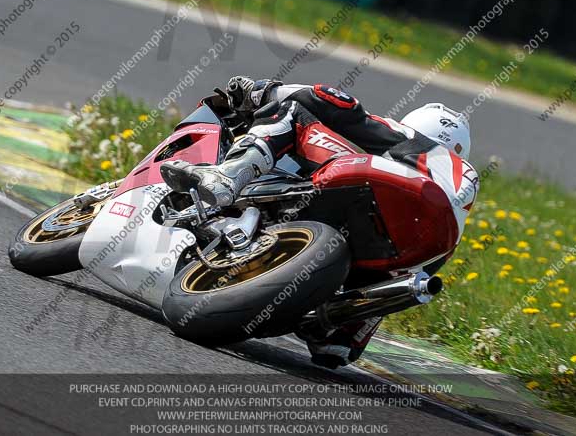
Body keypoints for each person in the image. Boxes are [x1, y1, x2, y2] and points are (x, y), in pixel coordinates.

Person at [161, 76, 479, 368]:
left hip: (386, 187)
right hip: (424, 246)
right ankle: (342, 332)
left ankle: (228, 177)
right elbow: (417, 274)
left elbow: (334, 100)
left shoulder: (410, 139)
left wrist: (261, 91)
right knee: (396, 278)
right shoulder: (458, 190)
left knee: (293, 111)